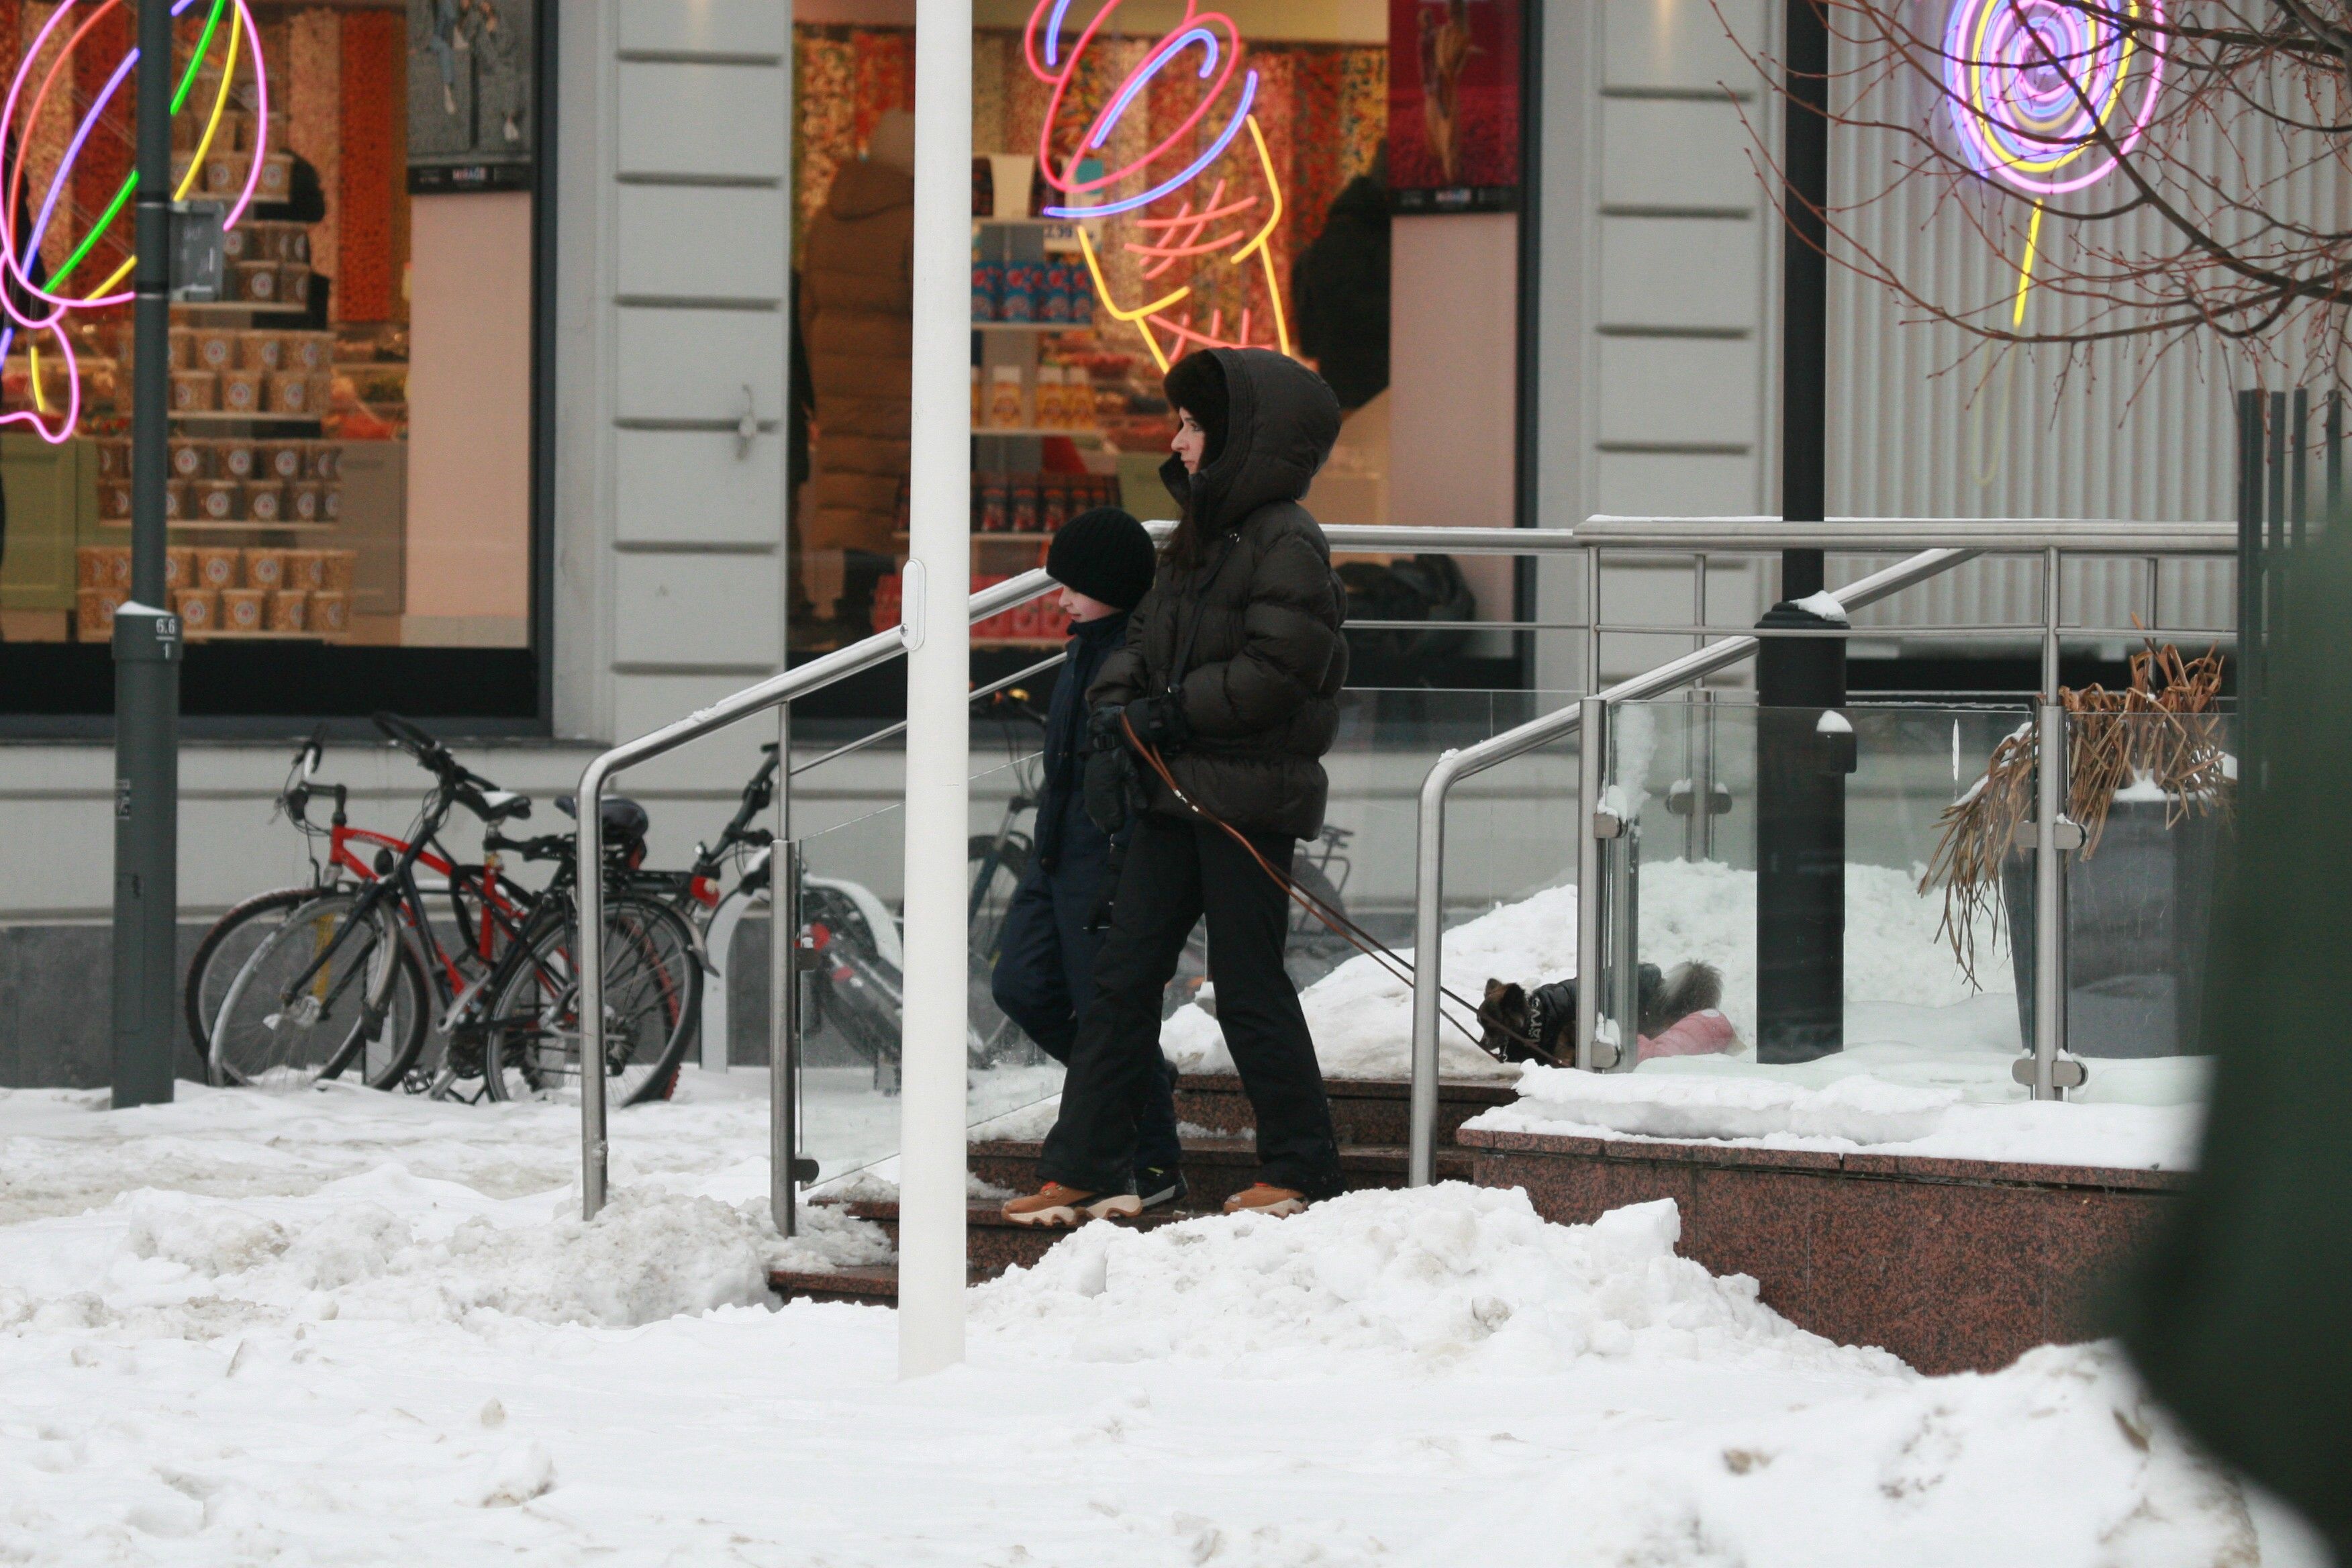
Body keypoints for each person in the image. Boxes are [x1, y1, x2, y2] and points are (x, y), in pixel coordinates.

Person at [1003, 348, 1349, 1227]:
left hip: (1244, 804)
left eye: (1194, 426)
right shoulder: (1195, 539)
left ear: (1239, 438)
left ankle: (1302, 1165)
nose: (1179, 441)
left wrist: (1168, 712)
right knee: (1120, 981)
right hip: (1170, 795)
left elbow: (1283, 670)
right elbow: (1137, 648)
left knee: (1247, 982)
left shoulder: (1288, 540)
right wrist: (1122, 713)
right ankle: (1082, 1165)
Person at [987, 507, 1186, 1211]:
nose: (1061, 598)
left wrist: (1119, 858)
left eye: (1075, 586)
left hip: (1104, 858)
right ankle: (1143, 1085)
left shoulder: (1137, 655)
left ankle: (1153, 1160)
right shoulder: (1081, 652)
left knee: (1106, 1014)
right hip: (1056, 852)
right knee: (1019, 984)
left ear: (1114, 586)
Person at [799, 111, 915, 640]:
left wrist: (819, 379)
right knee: (888, 499)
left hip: (837, 379)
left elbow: (808, 308)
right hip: (895, 380)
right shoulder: (912, 221)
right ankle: (883, 613)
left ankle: (853, 607)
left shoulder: (827, 218)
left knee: (851, 494)